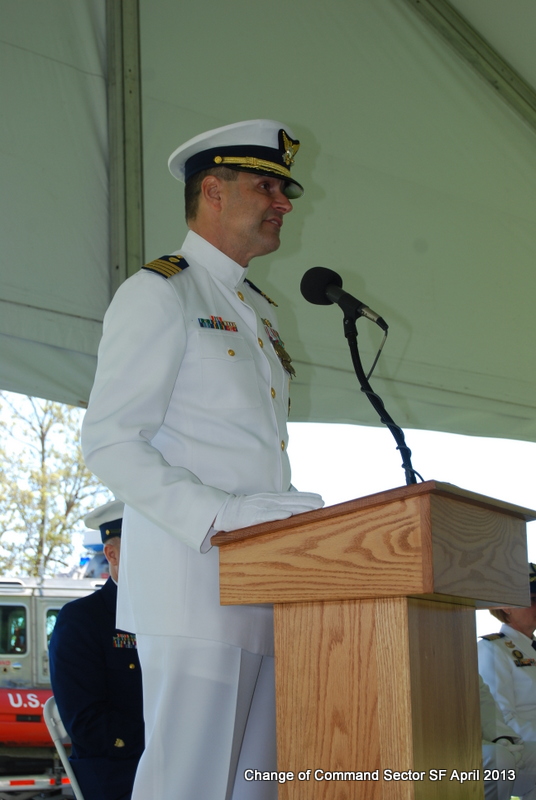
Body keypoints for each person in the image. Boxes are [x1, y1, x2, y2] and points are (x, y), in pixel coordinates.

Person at [81, 119, 324, 800]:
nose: (283, 203)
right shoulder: (160, 292)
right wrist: (220, 516)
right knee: (187, 786)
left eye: (284, 190)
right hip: (194, 588)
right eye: (267, 187)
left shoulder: (255, 308)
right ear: (213, 191)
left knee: (256, 790)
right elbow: (109, 440)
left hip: (264, 586)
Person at [49, 500, 144, 800]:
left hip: (169, 763)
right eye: (143, 547)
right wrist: (162, 737)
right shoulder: (82, 619)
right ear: (112, 554)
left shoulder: (171, 614)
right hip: (117, 773)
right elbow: (87, 724)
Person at [478, 563, 536, 800]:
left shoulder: (531, 648)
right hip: (519, 747)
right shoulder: (493, 649)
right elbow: (502, 717)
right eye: (532, 599)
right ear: (505, 606)